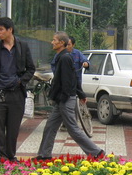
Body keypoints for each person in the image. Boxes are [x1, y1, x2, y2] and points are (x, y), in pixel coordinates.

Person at [36, 32, 104, 160]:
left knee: (73, 129)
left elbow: (69, 81)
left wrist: (65, 97)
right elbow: (73, 77)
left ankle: (97, 152)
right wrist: (80, 93)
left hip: (65, 99)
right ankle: (44, 155)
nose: (52, 42)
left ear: (61, 43)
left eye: (54, 40)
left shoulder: (65, 58)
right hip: (61, 99)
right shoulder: (61, 57)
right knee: (50, 127)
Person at [0, 17, 35, 163]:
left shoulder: (23, 46)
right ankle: (0, 161)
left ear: (10, 30)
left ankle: (10, 158)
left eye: (1, 30)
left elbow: (31, 69)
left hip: (16, 94)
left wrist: (20, 81)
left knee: (12, 131)